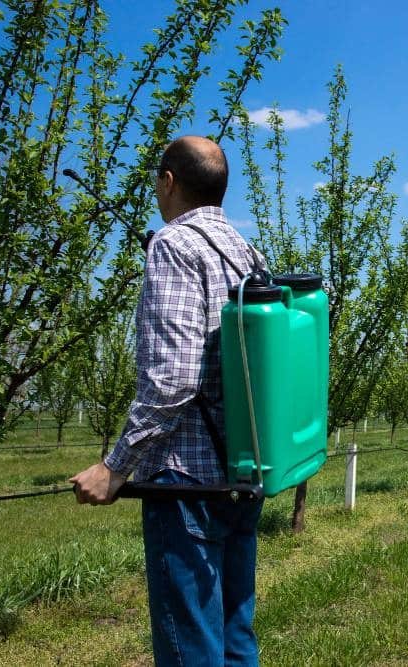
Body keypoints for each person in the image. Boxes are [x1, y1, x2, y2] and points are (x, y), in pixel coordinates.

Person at [70, 135, 265, 666]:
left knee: (190, 650)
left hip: (185, 486)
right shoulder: (248, 255)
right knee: (233, 639)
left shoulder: (174, 245)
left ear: (168, 182)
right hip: (242, 475)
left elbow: (173, 379)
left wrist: (115, 467)